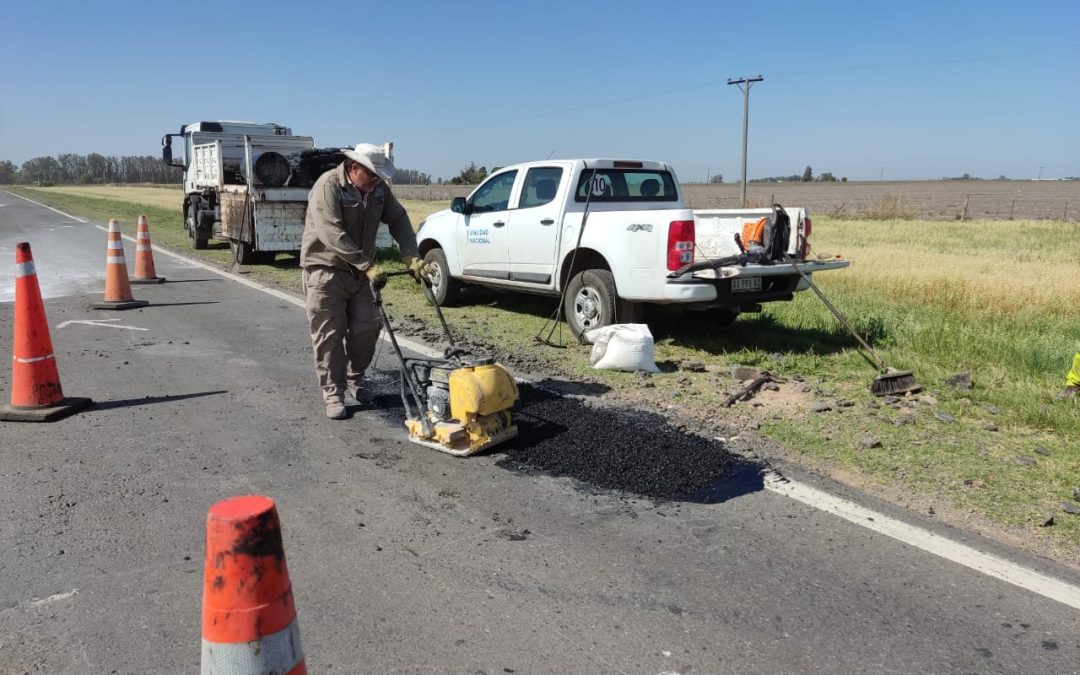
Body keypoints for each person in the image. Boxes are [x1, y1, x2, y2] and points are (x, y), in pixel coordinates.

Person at [300, 143, 430, 419]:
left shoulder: (378, 190)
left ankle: (354, 380)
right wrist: (367, 265)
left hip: (359, 275)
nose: (377, 180)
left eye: (379, 176)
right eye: (372, 174)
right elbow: (330, 232)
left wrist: (411, 254)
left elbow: (398, 217)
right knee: (329, 335)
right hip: (325, 271)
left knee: (367, 329)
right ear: (354, 167)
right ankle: (333, 391)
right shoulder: (329, 186)